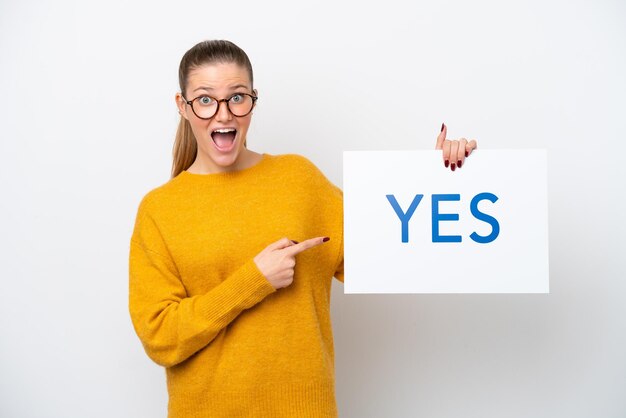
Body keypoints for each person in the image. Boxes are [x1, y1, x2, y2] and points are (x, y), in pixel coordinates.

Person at [128, 39, 478, 418]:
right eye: (206, 100)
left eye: (237, 97)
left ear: (253, 100)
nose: (224, 115)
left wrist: (443, 178)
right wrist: (253, 280)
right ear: (183, 106)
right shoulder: (160, 210)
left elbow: (389, 245)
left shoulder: (298, 180)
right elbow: (160, 337)